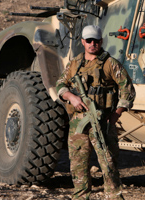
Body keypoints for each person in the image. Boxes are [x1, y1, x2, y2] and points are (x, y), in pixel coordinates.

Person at [55, 25, 136, 200]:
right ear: (83, 42)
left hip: (103, 123)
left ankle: (114, 197)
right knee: (78, 168)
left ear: (101, 41)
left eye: (96, 41)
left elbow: (128, 91)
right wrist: (72, 97)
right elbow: (60, 85)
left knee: (109, 167)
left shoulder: (110, 63)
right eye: (89, 41)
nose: (93, 44)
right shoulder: (74, 64)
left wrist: (115, 116)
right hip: (79, 125)